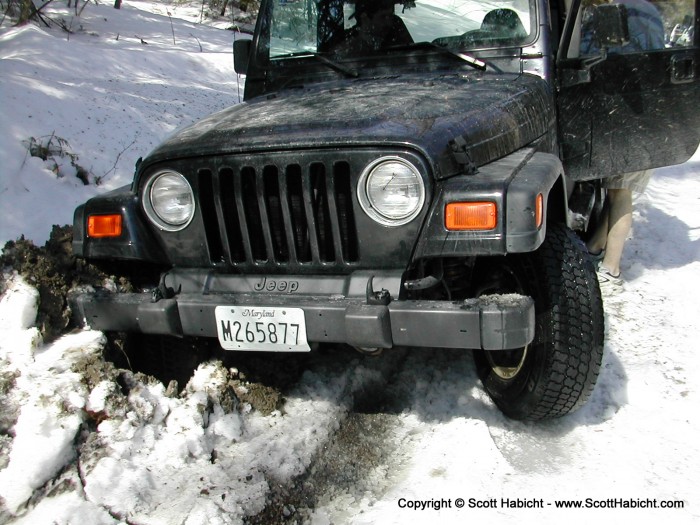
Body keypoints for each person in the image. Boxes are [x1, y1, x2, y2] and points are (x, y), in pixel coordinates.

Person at [580, 0, 664, 292]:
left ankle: (611, 268)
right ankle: (594, 247)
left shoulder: (614, 13)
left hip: (621, 113)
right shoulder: (650, 14)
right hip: (645, 111)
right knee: (617, 189)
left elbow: (590, 56)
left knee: (620, 193)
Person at [334, 0, 413, 54]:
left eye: (390, 17)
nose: (388, 23)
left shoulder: (396, 33)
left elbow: (414, 54)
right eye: (383, 17)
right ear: (365, 18)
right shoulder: (345, 42)